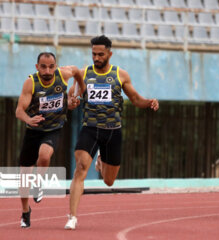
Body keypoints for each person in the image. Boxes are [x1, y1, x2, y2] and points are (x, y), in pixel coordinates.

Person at [65, 35, 159, 230]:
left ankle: (100, 159)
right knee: (80, 168)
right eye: (93, 54)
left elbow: (135, 99)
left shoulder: (120, 74)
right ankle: (72, 216)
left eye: (100, 54)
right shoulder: (83, 74)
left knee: (109, 181)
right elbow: (72, 99)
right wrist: (71, 102)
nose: (96, 58)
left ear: (110, 53)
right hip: (90, 129)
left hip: (112, 132)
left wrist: (149, 102)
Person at [15, 52, 83, 228]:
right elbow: (19, 111)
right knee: (23, 180)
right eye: (43, 67)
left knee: (45, 156)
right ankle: (25, 212)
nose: (47, 70)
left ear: (55, 66)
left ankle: (38, 184)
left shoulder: (63, 75)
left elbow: (77, 71)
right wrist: (29, 119)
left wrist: (78, 90)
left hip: (53, 128)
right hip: (33, 130)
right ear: (37, 67)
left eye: (51, 66)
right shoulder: (31, 82)